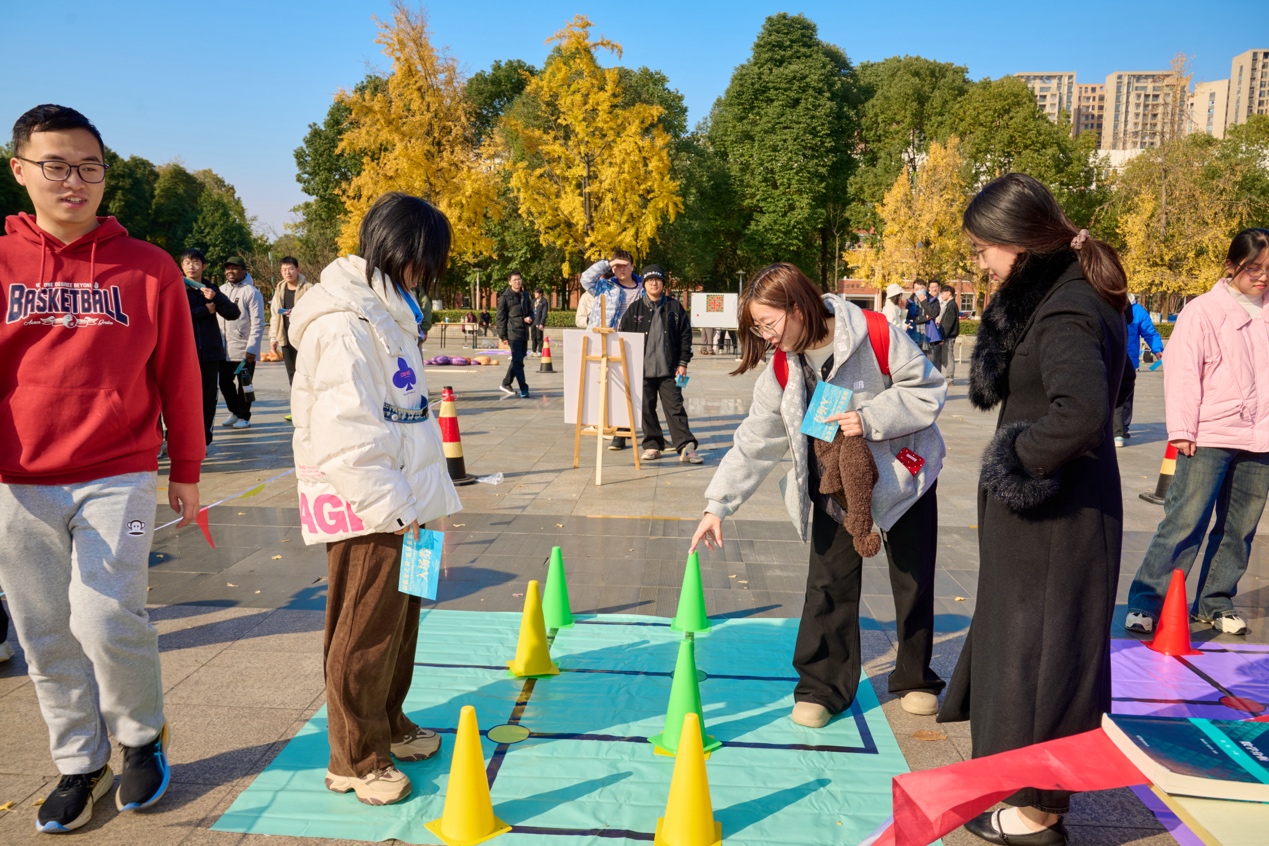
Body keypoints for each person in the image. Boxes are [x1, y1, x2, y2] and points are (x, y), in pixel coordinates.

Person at [1, 103, 203, 831]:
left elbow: (179, 371)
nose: (74, 181)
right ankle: (79, 762)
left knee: (106, 615)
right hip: (18, 479)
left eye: (89, 167)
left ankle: (141, 738)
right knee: (43, 629)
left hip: (119, 471)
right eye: (55, 166)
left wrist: (186, 464)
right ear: (20, 171)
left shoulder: (147, 266)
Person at [936, 173, 1130, 846]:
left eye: (982, 249)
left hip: (1056, 518)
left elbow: (1082, 411)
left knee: (1043, 661)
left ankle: (1036, 814)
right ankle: (1024, 796)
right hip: (1057, 513)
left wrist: (1015, 461)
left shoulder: (1067, 306)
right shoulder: (1069, 291)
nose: (980, 262)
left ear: (1016, 241)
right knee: (1031, 654)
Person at [690, 262, 947, 727]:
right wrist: (718, 505)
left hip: (904, 475)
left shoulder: (874, 331)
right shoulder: (782, 366)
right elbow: (755, 439)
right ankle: (821, 688)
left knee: (912, 579)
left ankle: (915, 678)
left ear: (797, 307)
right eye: (757, 328)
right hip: (835, 482)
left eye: (768, 323)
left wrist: (869, 418)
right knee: (828, 583)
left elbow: (927, 387)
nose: (766, 336)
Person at [290, 192, 463, 806]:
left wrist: (427, 510)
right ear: (397, 250)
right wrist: (396, 510)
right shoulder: (344, 323)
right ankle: (355, 758)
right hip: (372, 507)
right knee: (364, 631)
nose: (425, 275)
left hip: (409, 503)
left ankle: (388, 721)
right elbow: (348, 436)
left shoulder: (389, 313)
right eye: (422, 261)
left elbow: (408, 417)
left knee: (401, 624)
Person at [1125, 228, 1269, 638]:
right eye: (1254, 268)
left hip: (1260, 438)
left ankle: (1215, 601)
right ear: (1231, 266)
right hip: (1208, 435)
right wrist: (1182, 428)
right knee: (1185, 520)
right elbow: (1183, 374)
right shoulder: (1203, 312)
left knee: (1240, 527)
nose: (1262, 277)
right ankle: (1147, 601)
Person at [618, 265, 703, 464]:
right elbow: (624, 337)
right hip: (642, 370)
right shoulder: (635, 309)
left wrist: (683, 363)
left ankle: (686, 447)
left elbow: (685, 337)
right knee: (645, 408)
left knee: (675, 408)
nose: (654, 283)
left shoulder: (674, 307)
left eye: (657, 279)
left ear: (663, 283)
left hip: (669, 370)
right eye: (649, 280)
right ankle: (652, 445)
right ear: (644, 284)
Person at [581, 249, 644, 449]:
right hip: (607, 340)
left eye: (625, 265)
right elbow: (585, 279)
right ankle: (618, 432)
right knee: (613, 386)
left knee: (635, 387)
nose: (621, 269)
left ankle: (636, 429)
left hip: (635, 341)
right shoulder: (604, 286)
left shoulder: (643, 287)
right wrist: (607, 264)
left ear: (632, 266)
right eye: (616, 266)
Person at [183, 248, 241, 446]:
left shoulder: (210, 289)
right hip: (184, 355)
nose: (192, 267)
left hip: (210, 354)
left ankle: (203, 440)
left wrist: (215, 297)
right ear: (182, 266)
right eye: (187, 263)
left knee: (208, 400)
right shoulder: (177, 289)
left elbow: (233, 313)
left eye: (196, 263)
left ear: (204, 266)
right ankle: (182, 440)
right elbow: (177, 318)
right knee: (184, 400)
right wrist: (204, 310)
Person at [217, 256, 264, 429]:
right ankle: (235, 412)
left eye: (235, 268)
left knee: (244, 384)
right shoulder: (220, 290)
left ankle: (244, 416)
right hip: (223, 348)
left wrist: (252, 348)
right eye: (228, 268)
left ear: (244, 270)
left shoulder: (251, 292)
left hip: (244, 348)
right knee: (224, 383)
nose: (230, 271)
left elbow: (258, 322)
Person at [1114, 293, 1164, 447]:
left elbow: (1149, 332)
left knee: (1126, 394)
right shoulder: (1109, 304)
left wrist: (1157, 349)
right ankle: (1115, 430)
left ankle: (1122, 428)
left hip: (1129, 359)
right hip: (1111, 358)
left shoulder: (1138, 311)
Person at [269, 256, 313, 387]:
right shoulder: (279, 289)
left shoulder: (308, 288)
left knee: (307, 371)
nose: (287, 273)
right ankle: (295, 397)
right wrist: (273, 338)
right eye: (284, 270)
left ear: (298, 270)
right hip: (285, 336)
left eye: (290, 269)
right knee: (291, 372)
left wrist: (297, 313)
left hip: (303, 337)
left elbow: (314, 311)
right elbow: (275, 315)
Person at [496, 270, 532, 398]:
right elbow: (500, 318)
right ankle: (524, 388)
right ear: (510, 282)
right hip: (512, 333)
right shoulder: (505, 297)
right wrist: (503, 336)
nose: (517, 282)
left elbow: (530, 312)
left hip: (523, 332)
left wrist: (530, 318)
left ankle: (506, 383)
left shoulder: (525, 295)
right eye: (515, 280)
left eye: (519, 279)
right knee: (518, 362)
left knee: (518, 359)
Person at [936, 285, 960, 383]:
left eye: (943, 293)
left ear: (949, 293)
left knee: (949, 357)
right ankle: (948, 377)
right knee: (946, 356)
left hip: (949, 336)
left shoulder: (951, 305)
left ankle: (949, 378)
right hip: (948, 335)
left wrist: (943, 336)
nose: (941, 295)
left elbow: (948, 323)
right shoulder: (950, 304)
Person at [530, 288, 549, 356]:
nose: (535, 294)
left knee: (539, 337)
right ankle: (533, 350)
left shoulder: (544, 302)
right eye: (534, 292)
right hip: (533, 321)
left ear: (540, 294)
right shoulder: (533, 301)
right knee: (533, 337)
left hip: (539, 322)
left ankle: (540, 351)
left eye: (536, 293)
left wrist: (542, 323)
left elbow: (544, 313)